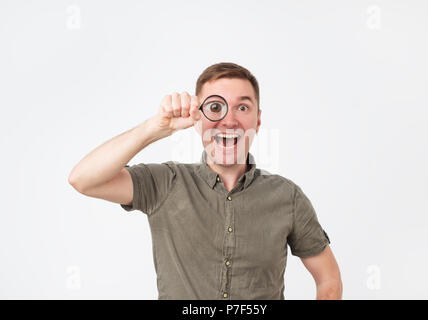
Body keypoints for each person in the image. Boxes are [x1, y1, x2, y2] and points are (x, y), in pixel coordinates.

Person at [68, 62, 343, 300]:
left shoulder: (288, 197)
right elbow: (83, 179)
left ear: (258, 121)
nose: (229, 120)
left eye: (243, 107)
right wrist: (155, 127)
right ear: (197, 119)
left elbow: (328, 279)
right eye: (215, 107)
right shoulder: (165, 182)